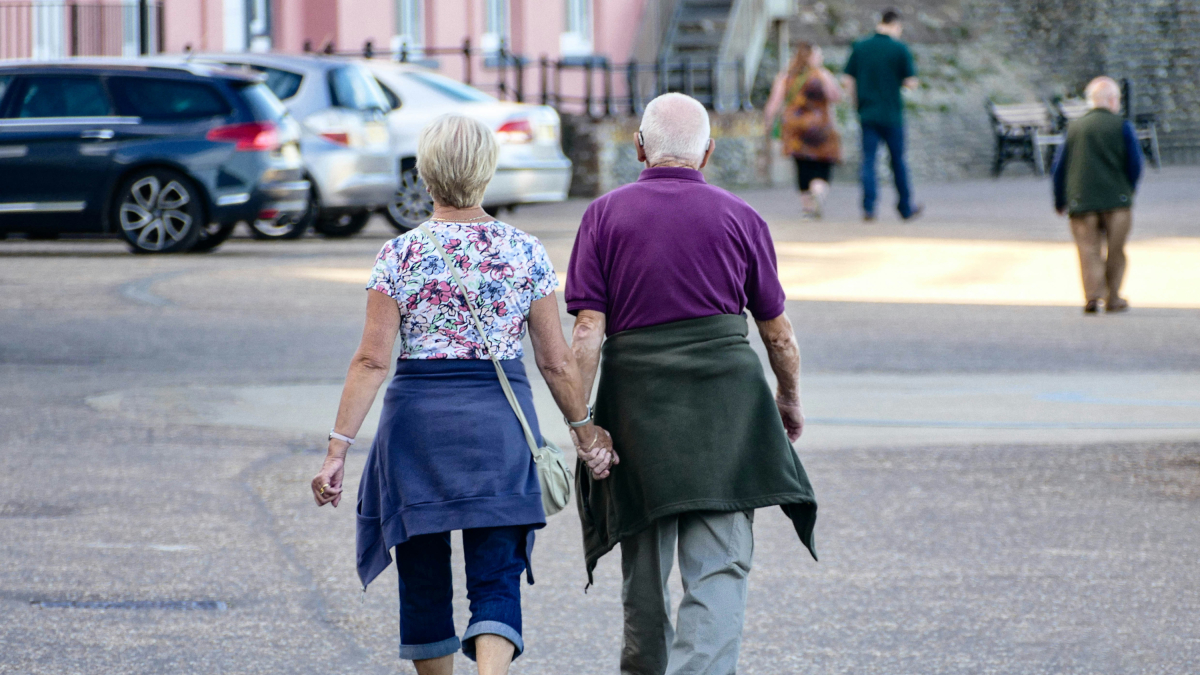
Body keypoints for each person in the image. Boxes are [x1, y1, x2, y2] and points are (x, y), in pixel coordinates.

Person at [310, 114, 616, 675]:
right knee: (497, 572)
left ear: (427, 175)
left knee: (423, 576)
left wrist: (337, 450)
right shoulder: (525, 251)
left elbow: (373, 360)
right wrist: (584, 432)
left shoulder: (399, 254)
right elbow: (555, 361)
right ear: (487, 172)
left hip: (416, 433)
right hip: (498, 429)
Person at [566, 93, 819, 675]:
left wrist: (583, 424)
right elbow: (777, 334)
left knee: (645, 570)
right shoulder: (741, 218)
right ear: (708, 152)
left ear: (639, 148)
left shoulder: (603, 216)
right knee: (720, 568)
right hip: (726, 412)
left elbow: (586, 334)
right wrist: (788, 399)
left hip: (637, 409)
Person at [1052, 76, 1144, 314]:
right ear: (1112, 99)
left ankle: (1092, 297)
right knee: (1116, 251)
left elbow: (1059, 167)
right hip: (1117, 201)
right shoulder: (1122, 125)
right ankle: (1113, 297)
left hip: (1081, 201)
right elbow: (1135, 163)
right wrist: (1128, 189)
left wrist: (1060, 199)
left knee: (1088, 250)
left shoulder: (1074, 127)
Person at [842, 7, 923, 221]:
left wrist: (856, 103)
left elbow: (847, 80)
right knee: (897, 161)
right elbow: (911, 82)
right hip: (892, 114)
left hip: (867, 113)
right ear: (896, 25)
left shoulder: (860, 47)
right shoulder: (899, 49)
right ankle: (905, 207)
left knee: (868, 161)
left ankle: (869, 207)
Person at [764, 42, 843, 219]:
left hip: (795, 128)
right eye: (819, 55)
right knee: (823, 162)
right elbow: (836, 97)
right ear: (812, 57)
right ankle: (818, 189)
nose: (821, 58)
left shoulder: (786, 76)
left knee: (801, 165)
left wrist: (768, 123)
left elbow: (774, 103)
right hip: (821, 126)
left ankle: (807, 207)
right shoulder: (822, 75)